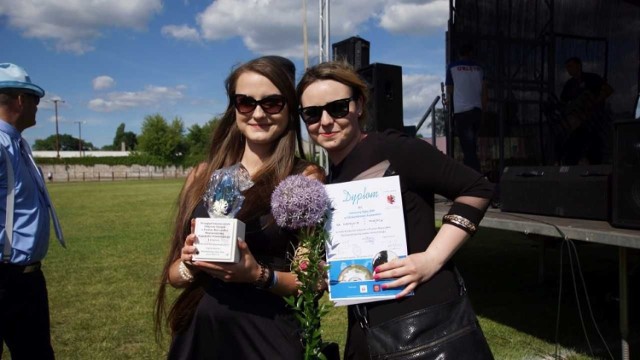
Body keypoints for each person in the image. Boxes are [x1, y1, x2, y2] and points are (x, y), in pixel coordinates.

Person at [297, 61, 494, 359]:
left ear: (359, 105)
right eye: (312, 113)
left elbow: (477, 188)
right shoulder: (332, 177)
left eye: (337, 108)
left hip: (428, 326)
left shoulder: (396, 149)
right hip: (369, 327)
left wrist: (431, 258)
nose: (325, 121)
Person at [154, 56, 324, 360]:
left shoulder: (305, 178)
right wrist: (189, 264)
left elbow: (313, 282)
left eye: (272, 103)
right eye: (246, 102)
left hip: (265, 336)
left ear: (289, 109)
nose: (258, 113)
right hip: (200, 336)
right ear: (234, 108)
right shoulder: (203, 174)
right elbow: (173, 276)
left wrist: (258, 275)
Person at [0, 63, 65, 359]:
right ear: (20, 100)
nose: (38, 106)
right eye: (36, 100)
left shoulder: (18, 145)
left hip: (26, 281)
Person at [558, 57, 614, 165]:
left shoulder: (591, 78)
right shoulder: (569, 84)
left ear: (579, 66)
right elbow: (563, 102)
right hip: (578, 126)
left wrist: (595, 103)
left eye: (571, 66)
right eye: (567, 67)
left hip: (595, 123)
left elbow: (608, 90)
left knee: (595, 152)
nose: (569, 70)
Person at [445, 43, 488, 172]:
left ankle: (474, 177)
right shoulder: (480, 68)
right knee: (472, 146)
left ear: (459, 54)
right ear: (471, 53)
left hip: (462, 112)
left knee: (468, 148)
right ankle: (473, 175)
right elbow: (485, 92)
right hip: (477, 111)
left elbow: (449, 89)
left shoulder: (452, 67)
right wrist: (483, 111)